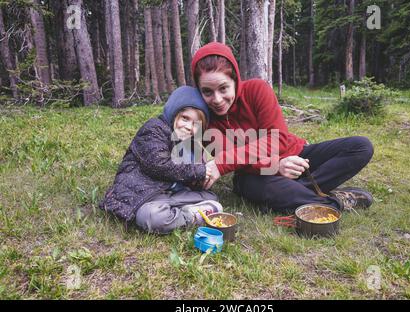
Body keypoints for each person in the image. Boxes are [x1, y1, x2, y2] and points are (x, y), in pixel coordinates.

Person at [191, 42, 374, 213]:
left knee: (361, 146)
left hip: (296, 154)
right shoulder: (203, 118)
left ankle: (296, 192)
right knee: (252, 185)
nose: (217, 99)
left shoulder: (256, 89)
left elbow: (277, 139)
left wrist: (220, 163)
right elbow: (238, 160)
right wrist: (276, 167)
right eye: (207, 91)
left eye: (223, 88)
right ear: (199, 90)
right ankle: (333, 202)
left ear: (236, 80)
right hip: (254, 174)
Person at [99, 86, 223, 233]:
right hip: (144, 194)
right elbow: (158, 165)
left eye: (196, 124)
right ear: (174, 112)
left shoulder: (191, 143)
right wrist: (199, 171)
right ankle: (190, 216)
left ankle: (184, 208)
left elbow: (190, 175)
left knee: (211, 197)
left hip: (171, 194)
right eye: (185, 118)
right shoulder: (155, 129)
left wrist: (200, 180)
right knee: (152, 217)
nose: (189, 127)